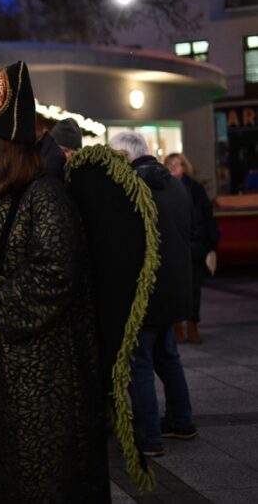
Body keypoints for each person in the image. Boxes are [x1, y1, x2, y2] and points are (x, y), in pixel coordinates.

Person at [0, 61, 109, 502]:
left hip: (45, 379)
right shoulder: (3, 198)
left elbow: (55, 276)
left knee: (43, 480)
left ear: (8, 143)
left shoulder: (47, 197)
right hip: (6, 374)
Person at [109, 132, 197, 457]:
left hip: (145, 293)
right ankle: (181, 420)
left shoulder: (131, 187)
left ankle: (148, 437)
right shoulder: (174, 183)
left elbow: (124, 245)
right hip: (175, 289)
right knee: (168, 357)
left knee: (140, 365)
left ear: (124, 157)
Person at [164, 152, 219, 344]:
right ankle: (178, 327)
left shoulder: (195, 189)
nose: (173, 169)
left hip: (195, 247)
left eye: (177, 165)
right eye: (169, 165)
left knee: (194, 290)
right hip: (174, 248)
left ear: (184, 167)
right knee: (176, 289)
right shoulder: (163, 188)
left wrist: (211, 242)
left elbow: (207, 216)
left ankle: (192, 326)